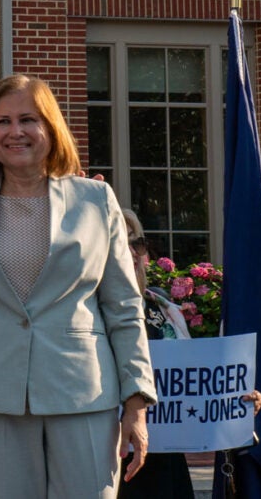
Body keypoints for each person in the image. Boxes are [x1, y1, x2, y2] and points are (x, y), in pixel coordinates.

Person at [0, 74, 157, 498]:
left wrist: (136, 401)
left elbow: (123, 304)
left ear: (51, 127)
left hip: (83, 391)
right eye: (2, 122)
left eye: (28, 119)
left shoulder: (96, 200)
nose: (15, 132)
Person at [118, 208, 195, 499]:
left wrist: (231, 398)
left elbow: (194, 376)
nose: (134, 253)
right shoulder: (85, 312)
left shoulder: (162, 307)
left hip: (164, 452)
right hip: (115, 450)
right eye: (119, 243)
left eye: (136, 243)